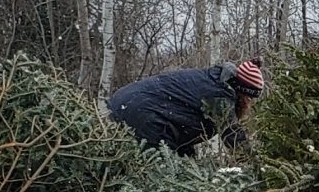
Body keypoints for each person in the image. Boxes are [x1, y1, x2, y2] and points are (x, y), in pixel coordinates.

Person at [105, 58, 265, 153]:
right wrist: (255, 167)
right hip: (141, 110)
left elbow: (184, 128)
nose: (249, 103)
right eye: (249, 97)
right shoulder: (218, 95)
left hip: (129, 101)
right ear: (241, 91)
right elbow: (233, 137)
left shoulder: (214, 81)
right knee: (161, 171)